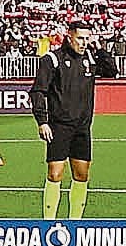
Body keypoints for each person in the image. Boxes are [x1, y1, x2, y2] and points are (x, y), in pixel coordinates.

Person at [29, 19, 103, 222]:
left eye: (88, 38)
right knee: (55, 174)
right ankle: (49, 221)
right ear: (69, 37)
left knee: (82, 174)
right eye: (80, 38)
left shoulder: (90, 58)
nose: (84, 43)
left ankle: (74, 222)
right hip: (59, 126)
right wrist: (42, 121)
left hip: (82, 127)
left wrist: (99, 48)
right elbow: (38, 91)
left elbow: (112, 70)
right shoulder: (52, 59)